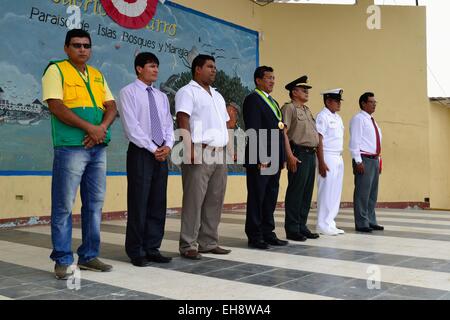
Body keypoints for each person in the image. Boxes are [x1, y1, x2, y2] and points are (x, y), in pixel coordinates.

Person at [42, 29, 117, 279]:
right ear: (66, 48)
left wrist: (101, 129)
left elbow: (111, 106)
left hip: (97, 147)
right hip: (71, 146)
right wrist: (90, 129)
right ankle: (63, 259)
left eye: (86, 45)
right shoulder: (56, 70)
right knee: (63, 205)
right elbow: (56, 106)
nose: (82, 49)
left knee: (94, 205)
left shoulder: (96, 75)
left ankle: (88, 256)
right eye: (76, 45)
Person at [118, 52, 174, 267]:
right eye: (151, 66)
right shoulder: (128, 92)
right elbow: (132, 128)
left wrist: (167, 145)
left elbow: (168, 124)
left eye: (157, 66)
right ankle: (136, 250)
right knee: (139, 202)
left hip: (161, 153)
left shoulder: (160, 96)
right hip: (141, 152)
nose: (156, 70)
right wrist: (153, 148)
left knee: (158, 202)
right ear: (139, 68)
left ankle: (152, 247)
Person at [175, 54, 231, 260]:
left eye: (215, 67)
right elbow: (183, 118)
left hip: (219, 152)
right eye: (209, 66)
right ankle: (188, 244)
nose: (214, 70)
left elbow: (225, 124)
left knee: (215, 200)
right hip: (199, 149)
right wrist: (188, 148)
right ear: (197, 69)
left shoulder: (217, 95)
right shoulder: (187, 92)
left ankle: (208, 242)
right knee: (194, 200)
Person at [243, 66, 288, 250]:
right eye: (269, 78)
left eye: (274, 78)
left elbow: (279, 131)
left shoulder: (273, 102)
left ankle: (268, 232)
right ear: (258, 80)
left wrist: (282, 156)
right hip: (261, 157)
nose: (272, 81)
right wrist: (260, 155)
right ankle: (255, 235)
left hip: (275, 157)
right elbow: (253, 129)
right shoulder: (253, 99)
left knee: (270, 196)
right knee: (257, 196)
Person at [282, 76, 320, 241]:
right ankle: (292, 228)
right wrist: (289, 155)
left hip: (311, 154)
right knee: (296, 191)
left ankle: (301, 225)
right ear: (294, 92)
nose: (306, 92)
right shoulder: (289, 108)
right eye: (303, 89)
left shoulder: (306, 109)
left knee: (306, 192)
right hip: (298, 153)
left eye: (307, 89)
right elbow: (283, 132)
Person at [349, 92, 384, 232]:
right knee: (362, 193)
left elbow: (375, 142)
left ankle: (371, 219)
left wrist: (379, 160)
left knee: (372, 194)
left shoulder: (372, 120)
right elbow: (355, 141)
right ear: (363, 103)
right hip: (364, 159)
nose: (374, 104)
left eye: (375, 102)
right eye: (371, 102)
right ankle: (362, 222)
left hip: (374, 159)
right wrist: (358, 161)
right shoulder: (359, 119)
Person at [316, 89, 346, 236]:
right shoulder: (323, 117)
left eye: (340, 101)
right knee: (326, 191)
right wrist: (321, 162)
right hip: (327, 155)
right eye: (336, 101)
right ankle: (322, 224)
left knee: (335, 192)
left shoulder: (338, 118)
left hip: (338, 156)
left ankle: (330, 222)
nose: (339, 103)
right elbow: (319, 140)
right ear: (328, 101)